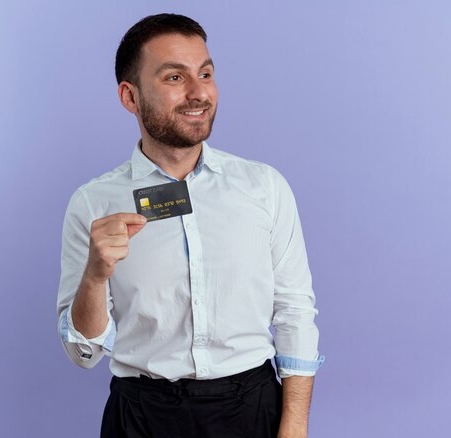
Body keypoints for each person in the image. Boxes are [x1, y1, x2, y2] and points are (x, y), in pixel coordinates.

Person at [57, 13, 324, 438]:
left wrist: (294, 426)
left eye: (205, 73)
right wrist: (95, 274)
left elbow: (295, 313)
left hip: (251, 409)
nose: (199, 92)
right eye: (174, 78)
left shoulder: (264, 187)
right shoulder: (93, 203)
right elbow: (83, 353)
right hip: (141, 417)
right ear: (130, 96)